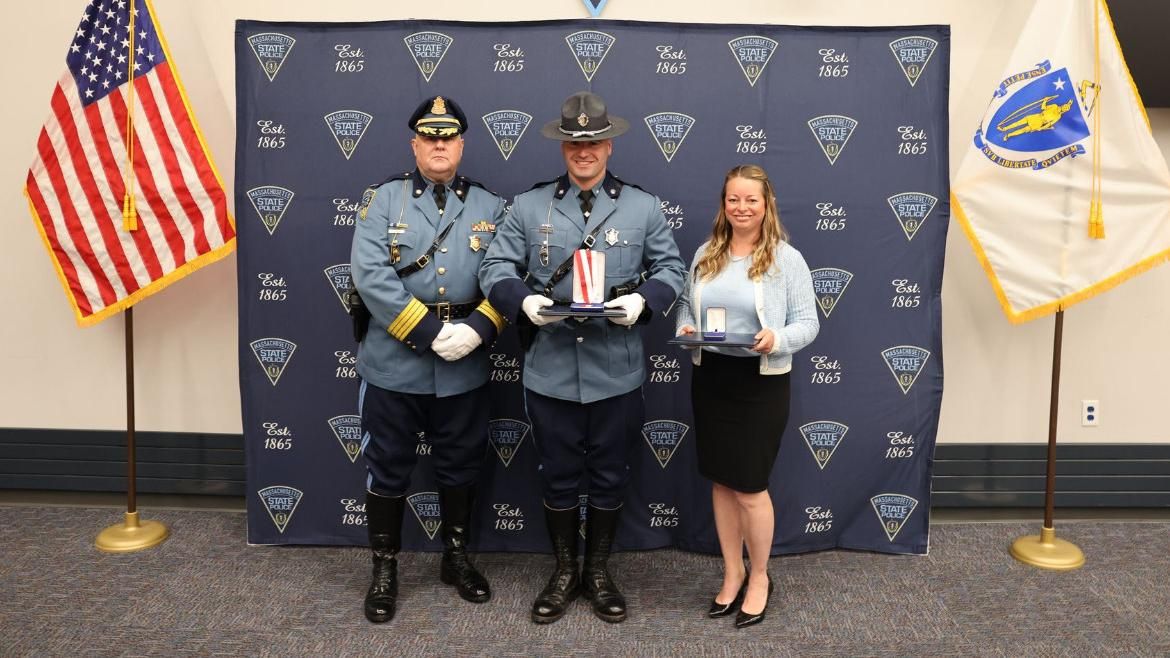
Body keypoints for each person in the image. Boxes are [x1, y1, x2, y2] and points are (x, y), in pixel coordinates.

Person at [479, 91, 686, 624]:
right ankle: (565, 571)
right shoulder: (530, 206)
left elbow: (672, 270)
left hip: (615, 369)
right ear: (563, 147)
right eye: (575, 143)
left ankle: (598, 572)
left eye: (594, 142)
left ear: (609, 145)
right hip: (550, 368)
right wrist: (524, 303)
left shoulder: (641, 207)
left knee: (611, 475)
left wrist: (643, 302)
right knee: (558, 474)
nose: (584, 151)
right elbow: (494, 267)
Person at [350, 95, 508, 623]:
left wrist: (477, 330)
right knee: (388, 467)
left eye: (449, 138)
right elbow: (370, 276)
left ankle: (455, 558)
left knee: (460, 464)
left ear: (462, 145)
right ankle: (384, 568)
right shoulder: (382, 200)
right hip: (395, 362)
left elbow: (506, 274)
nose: (440, 146)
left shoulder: (489, 206)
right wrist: (428, 332)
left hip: (464, 360)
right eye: (430, 138)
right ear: (415, 145)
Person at [674, 164, 819, 628]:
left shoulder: (786, 259)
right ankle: (732, 572)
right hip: (712, 378)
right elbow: (685, 305)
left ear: (766, 204)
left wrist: (777, 338)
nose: (741, 208)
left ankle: (759, 577)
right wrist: (686, 328)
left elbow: (809, 323)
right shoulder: (706, 253)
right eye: (733, 199)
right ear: (724, 204)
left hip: (760, 382)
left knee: (751, 487)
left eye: (751, 200)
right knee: (721, 482)